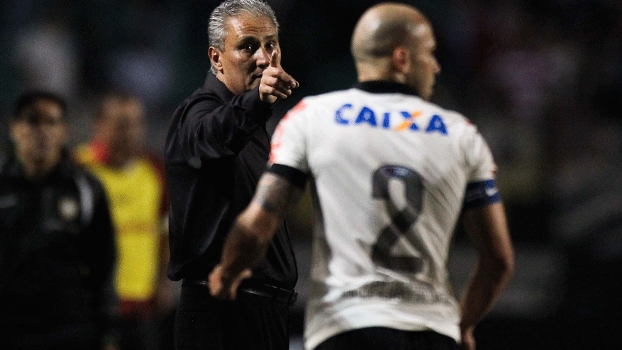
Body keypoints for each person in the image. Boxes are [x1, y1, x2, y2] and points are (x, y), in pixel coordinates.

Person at [209, 3, 515, 350]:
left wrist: (227, 275)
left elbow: (257, 225)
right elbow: (498, 260)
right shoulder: (461, 134)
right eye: (429, 52)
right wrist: (464, 324)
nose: (435, 65)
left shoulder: (312, 117)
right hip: (431, 331)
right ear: (401, 59)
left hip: (345, 328)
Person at [163, 0, 300, 349]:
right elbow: (213, 137)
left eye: (271, 44)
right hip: (221, 316)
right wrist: (257, 102)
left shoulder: (254, 128)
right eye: (248, 46)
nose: (263, 57)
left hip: (263, 316)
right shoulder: (197, 113)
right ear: (215, 58)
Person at [0, 91, 118, 350]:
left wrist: (107, 333)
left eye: (52, 122)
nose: (42, 131)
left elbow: (103, 265)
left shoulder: (86, 188)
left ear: (64, 130)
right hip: (8, 330)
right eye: (32, 121)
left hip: (68, 330)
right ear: (13, 128)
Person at [74, 93, 174, 350]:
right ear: (99, 125)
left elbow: (165, 230)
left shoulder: (156, 171)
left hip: (141, 305)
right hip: (87, 305)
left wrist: (163, 281)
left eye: (136, 123)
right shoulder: (76, 169)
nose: (129, 132)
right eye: (120, 124)